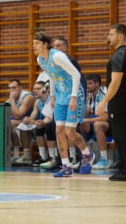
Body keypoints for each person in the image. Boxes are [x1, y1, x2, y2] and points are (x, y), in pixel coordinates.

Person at [34, 31, 93, 177]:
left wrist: (73, 97)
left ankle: (87, 154)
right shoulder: (40, 59)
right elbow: (52, 76)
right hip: (60, 96)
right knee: (58, 131)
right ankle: (66, 165)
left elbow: (76, 74)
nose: (33, 46)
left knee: (69, 131)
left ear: (45, 44)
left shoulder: (57, 56)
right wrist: (52, 96)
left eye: (36, 43)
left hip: (74, 94)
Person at [97, 24, 126, 181]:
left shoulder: (120, 55)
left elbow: (115, 82)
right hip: (121, 99)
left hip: (119, 100)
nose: (108, 37)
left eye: (111, 34)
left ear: (120, 36)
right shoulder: (123, 53)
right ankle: (122, 168)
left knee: (122, 136)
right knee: (119, 136)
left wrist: (103, 101)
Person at [79, 73, 112, 170]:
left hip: (111, 124)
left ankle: (104, 159)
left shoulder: (104, 94)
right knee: (77, 124)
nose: (87, 86)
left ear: (97, 84)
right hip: (94, 122)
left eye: (90, 83)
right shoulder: (89, 95)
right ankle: (82, 156)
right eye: (86, 84)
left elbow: (105, 117)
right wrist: (84, 103)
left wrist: (88, 120)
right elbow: (85, 115)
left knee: (98, 124)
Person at [25, 80, 57, 167]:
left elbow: (51, 117)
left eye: (38, 88)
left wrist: (42, 122)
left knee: (49, 127)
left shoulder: (51, 99)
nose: (36, 91)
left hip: (55, 122)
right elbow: (32, 116)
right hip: (45, 122)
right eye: (34, 89)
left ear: (45, 90)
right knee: (38, 128)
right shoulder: (37, 102)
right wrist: (28, 119)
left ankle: (53, 157)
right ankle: (43, 157)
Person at [8, 79, 36, 165]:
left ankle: (27, 156)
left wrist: (11, 100)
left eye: (14, 88)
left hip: (36, 122)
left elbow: (18, 115)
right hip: (24, 122)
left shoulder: (27, 97)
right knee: (10, 123)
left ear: (20, 88)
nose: (12, 90)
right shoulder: (13, 97)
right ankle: (16, 155)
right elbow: (7, 114)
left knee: (14, 123)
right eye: (10, 88)